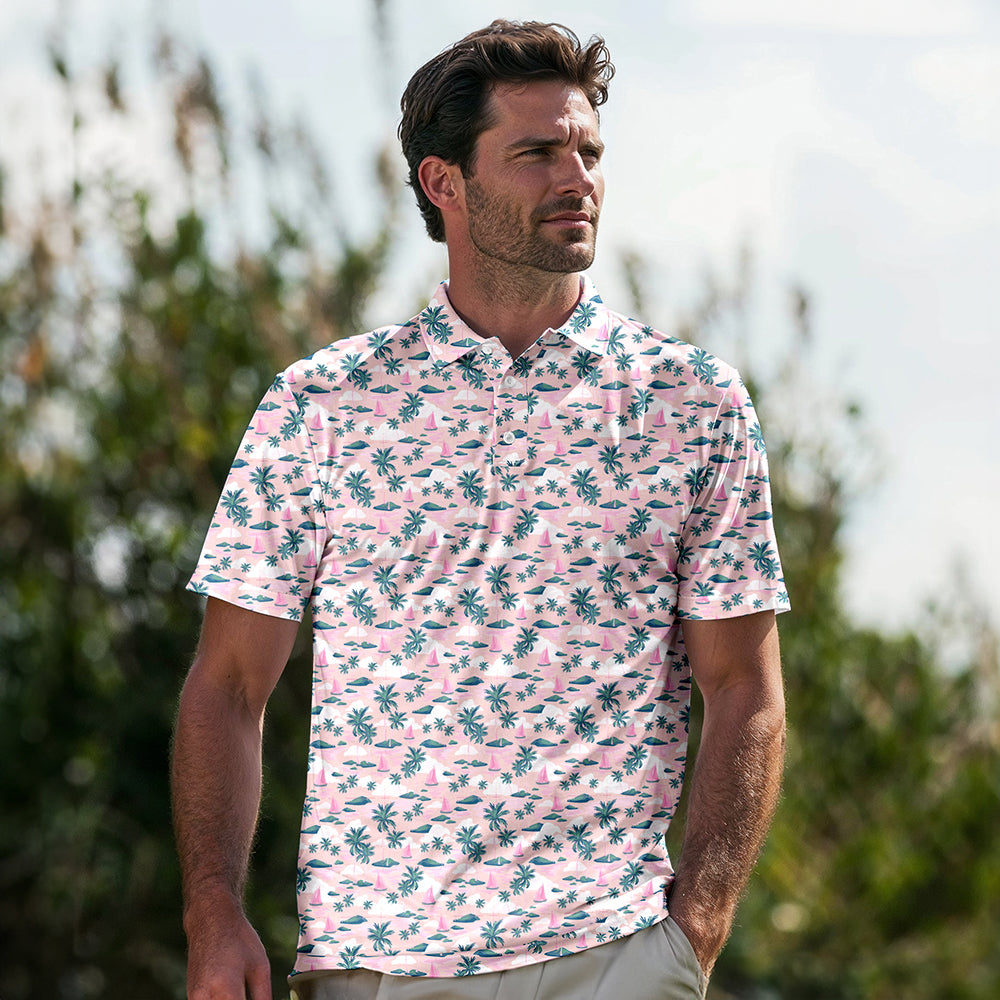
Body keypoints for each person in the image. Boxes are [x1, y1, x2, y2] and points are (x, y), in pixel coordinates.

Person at [172, 20, 790, 1000]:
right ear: (444, 182)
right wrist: (213, 912)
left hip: (613, 957)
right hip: (373, 963)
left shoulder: (691, 403)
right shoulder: (321, 406)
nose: (577, 178)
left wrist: (693, 933)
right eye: (537, 152)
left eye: (588, 152)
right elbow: (229, 684)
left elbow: (745, 686)